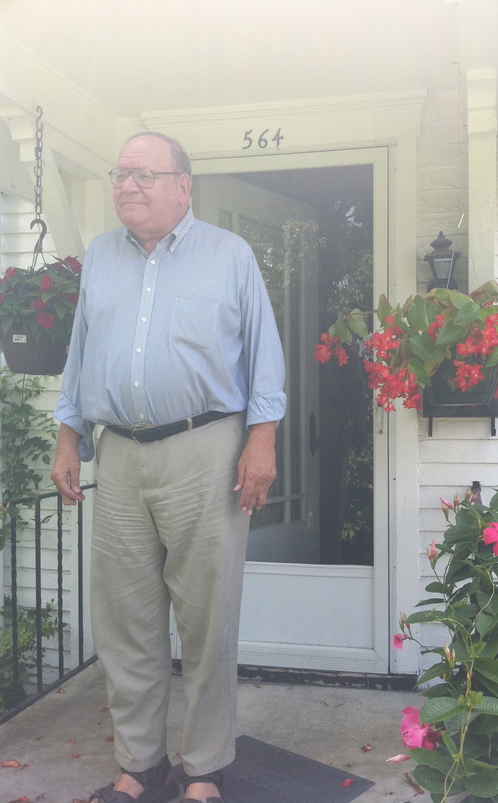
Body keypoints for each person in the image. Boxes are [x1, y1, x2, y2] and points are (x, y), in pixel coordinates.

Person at [50, 132, 286, 803]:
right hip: (119, 453)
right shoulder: (101, 257)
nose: (127, 185)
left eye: (143, 174)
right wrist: (68, 435)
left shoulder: (230, 255)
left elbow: (264, 355)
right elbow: (80, 353)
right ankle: (141, 762)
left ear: (184, 186)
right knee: (125, 620)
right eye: (120, 173)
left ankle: (204, 766)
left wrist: (262, 439)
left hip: (205, 449)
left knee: (207, 618)